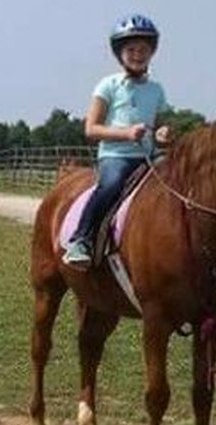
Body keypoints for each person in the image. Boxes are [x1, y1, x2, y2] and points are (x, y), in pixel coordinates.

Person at [62, 14, 171, 268]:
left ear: (151, 52)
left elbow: (160, 124)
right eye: (131, 49)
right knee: (111, 185)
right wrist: (126, 134)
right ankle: (82, 239)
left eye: (143, 49)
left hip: (149, 156)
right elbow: (91, 128)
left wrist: (162, 133)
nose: (137, 54)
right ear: (120, 53)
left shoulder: (156, 90)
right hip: (116, 156)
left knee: (177, 181)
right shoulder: (107, 86)